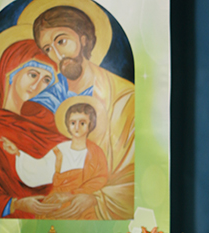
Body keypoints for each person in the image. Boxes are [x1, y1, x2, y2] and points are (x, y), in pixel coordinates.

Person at [16, 2, 135, 220]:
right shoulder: (41, 104)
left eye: (61, 41)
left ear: (83, 38)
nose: (58, 55)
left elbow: (131, 178)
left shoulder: (122, 97)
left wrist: (95, 197)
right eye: (48, 49)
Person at [0, 34, 67, 219]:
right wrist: (15, 204)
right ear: (10, 74)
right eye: (33, 75)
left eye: (46, 80)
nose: (37, 85)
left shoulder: (52, 126)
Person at [1, 100, 108, 219]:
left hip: (81, 205)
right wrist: (18, 153)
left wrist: (71, 194)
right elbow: (40, 170)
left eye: (82, 123)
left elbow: (100, 179)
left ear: (90, 125)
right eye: (73, 122)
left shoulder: (96, 153)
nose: (76, 127)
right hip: (56, 204)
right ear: (67, 124)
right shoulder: (60, 150)